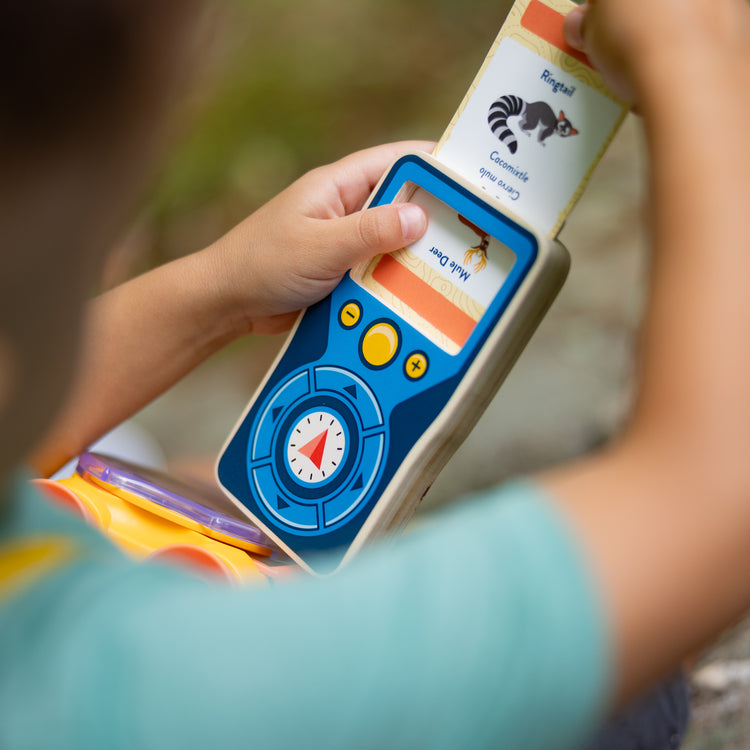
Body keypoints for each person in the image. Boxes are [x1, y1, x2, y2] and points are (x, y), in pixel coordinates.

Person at [1, 0, 749, 747]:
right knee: (629, 688)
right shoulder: (170, 686)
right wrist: (697, 52)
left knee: (202, 488)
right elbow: (711, 498)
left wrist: (218, 289)